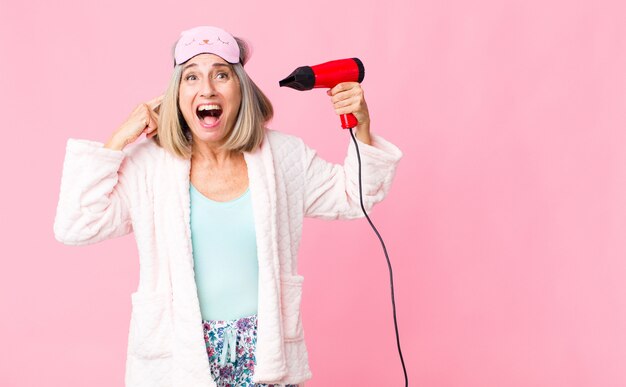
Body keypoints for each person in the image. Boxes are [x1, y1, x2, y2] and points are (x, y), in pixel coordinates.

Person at [54, 26, 402, 387]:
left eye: (221, 74)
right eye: (191, 77)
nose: (207, 89)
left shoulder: (282, 157)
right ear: (176, 95)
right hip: (180, 354)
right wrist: (120, 137)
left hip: (264, 350)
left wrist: (361, 125)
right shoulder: (150, 166)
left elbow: (355, 196)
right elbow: (76, 224)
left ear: (241, 89)